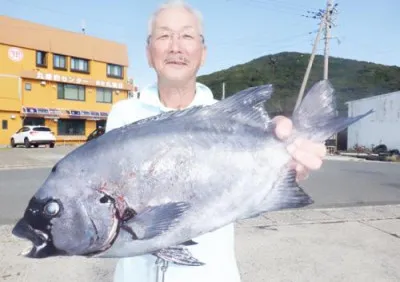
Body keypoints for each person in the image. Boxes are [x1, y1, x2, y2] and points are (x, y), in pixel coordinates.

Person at [105, 1, 327, 281]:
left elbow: (243, 204)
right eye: (164, 35)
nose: (175, 46)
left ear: (203, 53)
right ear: (149, 53)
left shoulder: (230, 119)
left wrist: (283, 165)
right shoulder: (125, 115)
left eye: (186, 35)